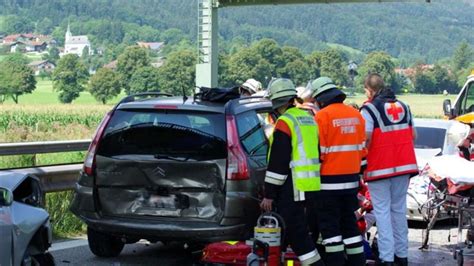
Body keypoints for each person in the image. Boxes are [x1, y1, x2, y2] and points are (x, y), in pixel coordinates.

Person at [260, 78, 325, 266]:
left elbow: (278, 164)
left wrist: (269, 195)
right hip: (311, 187)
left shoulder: (284, 123)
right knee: (299, 234)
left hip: (293, 187)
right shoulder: (308, 119)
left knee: (297, 236)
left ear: (277, 103)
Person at [360, 73, 418, 266]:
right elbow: (414, 135)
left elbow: (365, 139)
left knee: (382, 212)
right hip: (404, 167)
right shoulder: (404, 106)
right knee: (398, 212)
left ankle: (387, 258)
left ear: (369, 90)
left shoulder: (369, 109)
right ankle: (402, 256)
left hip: (379, 170)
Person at [310, 77, 366, 266]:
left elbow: (318, 153)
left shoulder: (321, 117)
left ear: (321, 99)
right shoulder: (357, 115)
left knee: (330, 229)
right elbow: (362, 152)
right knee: (349, 226)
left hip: (327, 184)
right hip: (350, 183)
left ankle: (335, 263)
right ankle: (358, 262)